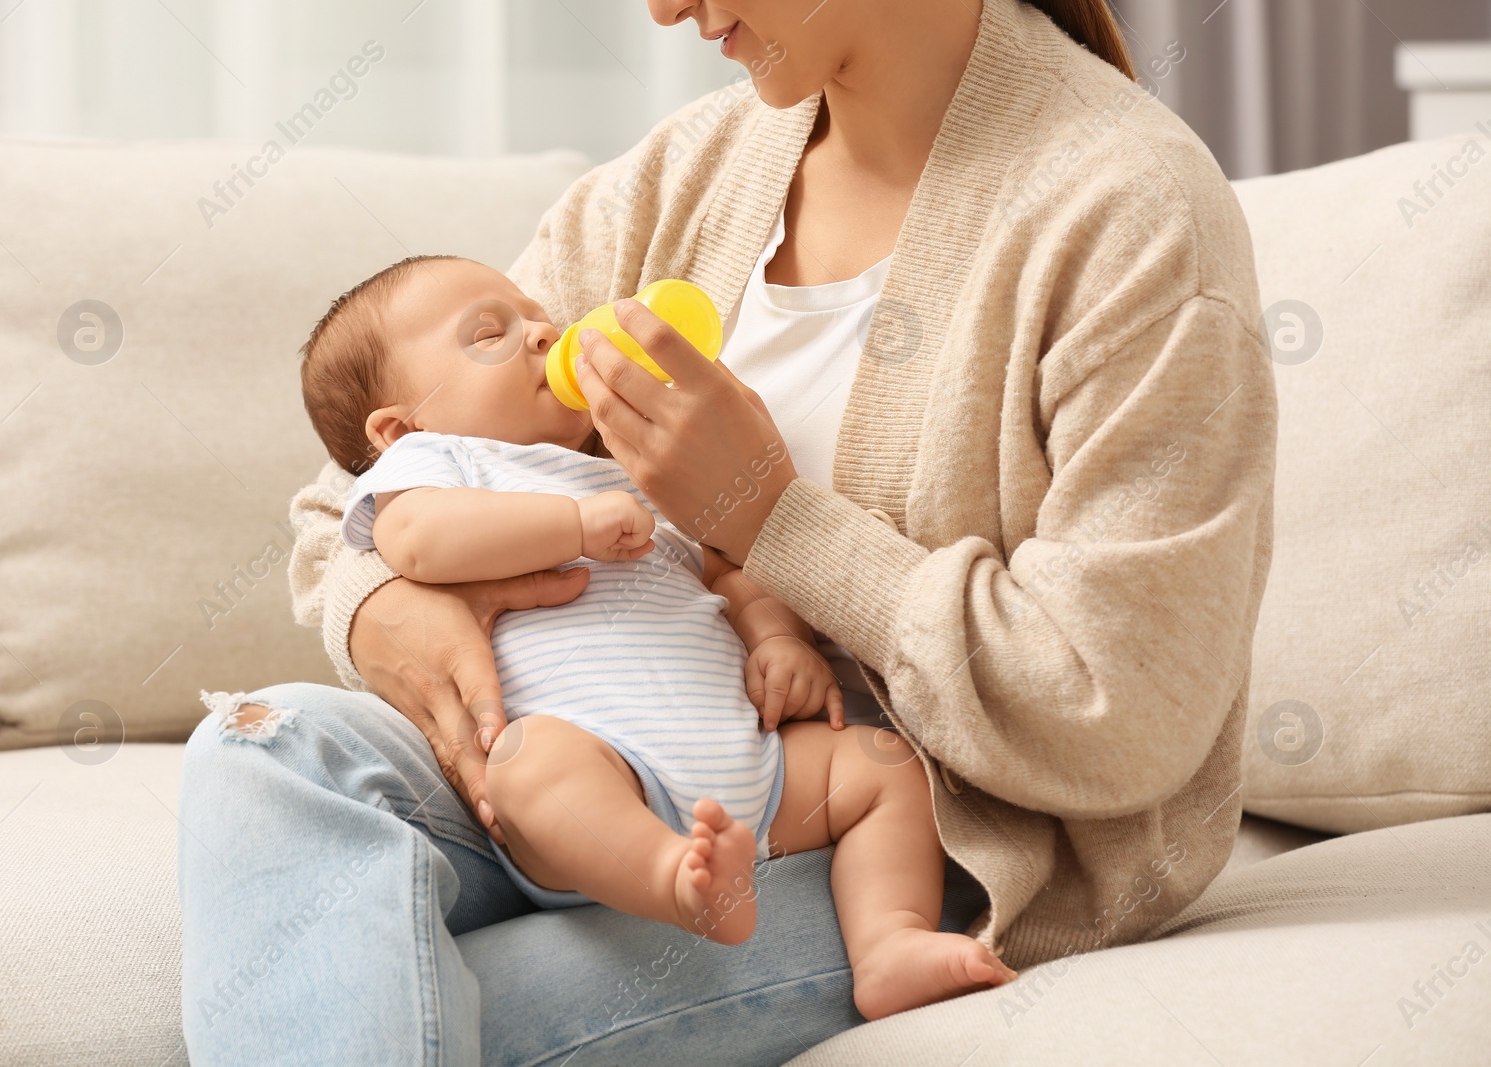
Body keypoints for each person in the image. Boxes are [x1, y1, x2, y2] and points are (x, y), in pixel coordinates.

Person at [177, 1, 1277, 1064]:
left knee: (410, 1007)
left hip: (887, 827)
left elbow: (1120, 708)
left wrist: (767, 513)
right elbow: (349, 502)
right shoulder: (689, 176)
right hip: (572, 753)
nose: (661, 11)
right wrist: (387, 606)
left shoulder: (1127, 211)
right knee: (264, 749)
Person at [292, 251, 1018, 1018]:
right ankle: (678, 878)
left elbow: (728, 569)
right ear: (402, 427)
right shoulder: (442, 464)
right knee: (526, 765)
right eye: (488, 335)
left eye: (537, 314)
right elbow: (415, 541)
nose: (543, 333)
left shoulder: (629, 463)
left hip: (752, 758)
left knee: (884, 767)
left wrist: (776, 638)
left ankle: (888, 941)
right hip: (604, 765)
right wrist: (570, 524)